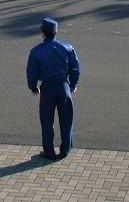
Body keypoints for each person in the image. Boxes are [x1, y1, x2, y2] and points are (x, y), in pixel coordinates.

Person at [26, 17, 80, 161]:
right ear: (56, 32)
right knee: (66, 119)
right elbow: (75, 68)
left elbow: (32, 73)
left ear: (43, 33)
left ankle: (49, 151)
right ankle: (65, 149)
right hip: (64, 87)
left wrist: (33, 87)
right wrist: (73, 84)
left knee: (47, 121)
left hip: (48, 89)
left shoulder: (36, 51)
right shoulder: (67, 47)